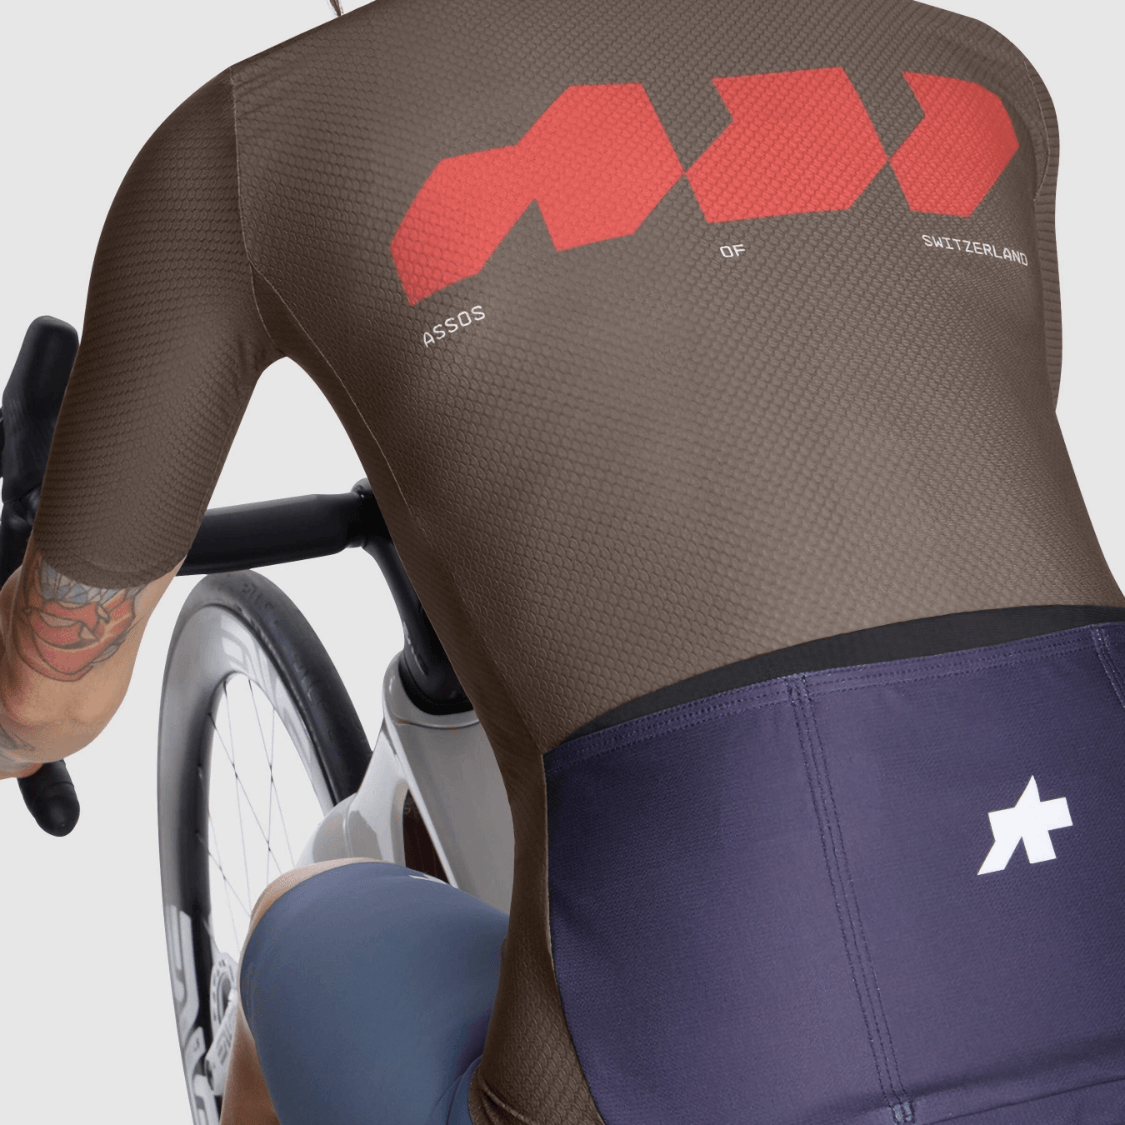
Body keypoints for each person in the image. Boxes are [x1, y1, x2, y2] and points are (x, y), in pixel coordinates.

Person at [3, 0, 1124, 1122]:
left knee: (295, 916)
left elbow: (49, 698)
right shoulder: (979, 72)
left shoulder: (253, 137)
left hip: (712, 1040)